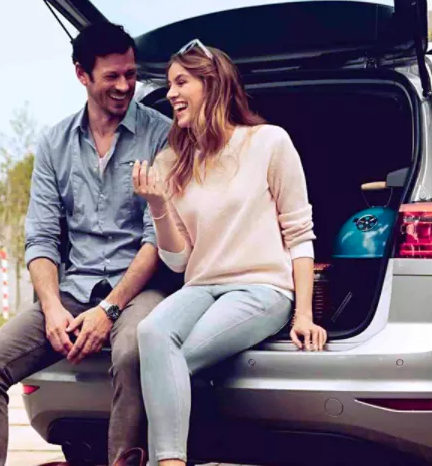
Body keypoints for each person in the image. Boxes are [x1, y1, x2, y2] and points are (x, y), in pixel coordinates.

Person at [132, 40, 327, 466]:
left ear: (212, 84)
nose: (170, 93)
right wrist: (158, 205)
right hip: (201, 286)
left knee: (171, 361)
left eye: (181, 82)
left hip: (262, 288)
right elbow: (179, 261)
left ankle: (167, 460)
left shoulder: (269, 142)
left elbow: (300, 235)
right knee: (150, 334)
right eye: (169, 84)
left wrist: (304, 314)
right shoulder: (170, 162)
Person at [2, 22, 173, 466]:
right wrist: (51, 307)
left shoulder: (162, 134)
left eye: (130, 74)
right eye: (112, 76)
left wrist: (109, 310)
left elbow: (157, 238)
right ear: (82, 74)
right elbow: (41, 237)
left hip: (139, 288)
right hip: (74, 290)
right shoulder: (54, 143)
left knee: (134, 352)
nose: (125, 86)